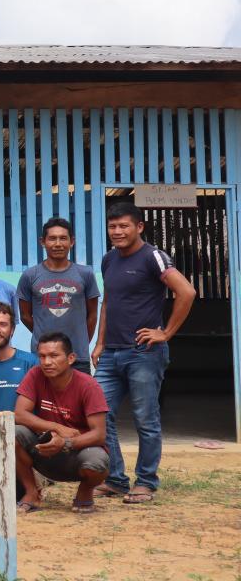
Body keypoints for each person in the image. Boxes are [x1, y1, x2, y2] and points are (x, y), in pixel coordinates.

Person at [93, 201, 196, 504]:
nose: (118, 231)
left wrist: (165, 332)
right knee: (100, 414)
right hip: (111, 353)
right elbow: (108, 303)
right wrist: (99, 343)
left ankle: (147, 482)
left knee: (145, 419)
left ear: (139, 227)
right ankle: (115, 479)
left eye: (124, 226)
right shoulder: (109, 260)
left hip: (144, 352)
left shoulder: (153, 256)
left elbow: (186, 292)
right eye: (113, 227)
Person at [15, 332, 110, 514]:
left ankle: (85, 491)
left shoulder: (88, 386)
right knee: (14, 433)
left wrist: (66, 443)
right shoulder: (35, 375)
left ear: (71, 358)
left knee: (98, 463)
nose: (46, 362)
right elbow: (19, 414)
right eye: (42, 356)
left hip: (78, 452)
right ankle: (31, 492)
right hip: (44, 450)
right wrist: (57, 427)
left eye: (54, 355)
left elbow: (99, 434)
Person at [17, 218, 101, 374]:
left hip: (77, 357)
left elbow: (92, 315)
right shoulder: (30, 275)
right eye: (52, 238)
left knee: (78, 398)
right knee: (44, 399)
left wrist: (81, 342)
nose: (57, 244)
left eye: (63, 238)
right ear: (42, 242)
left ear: (72, 241)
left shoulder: (85, 274)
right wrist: (43, 333)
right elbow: (25, 315)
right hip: (42, 356)